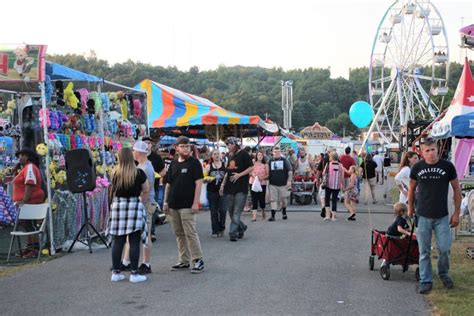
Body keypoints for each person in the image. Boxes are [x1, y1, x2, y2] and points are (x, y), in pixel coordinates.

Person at [408, 137, 461, 294]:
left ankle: (443, 274)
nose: (431, 153)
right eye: (427, 151)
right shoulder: (417, 168)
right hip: (423, 215)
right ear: (422, 153)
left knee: (444, 248)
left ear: (437, 149)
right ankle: (426, 280)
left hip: (442, 216)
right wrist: (410, 208)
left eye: (433, 150)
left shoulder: (447, 166)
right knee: (424, 251)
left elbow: (457, 189)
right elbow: (411, 189)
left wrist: (457, 213)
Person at [163, 136, 205, 273]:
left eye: (188, 146)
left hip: (188, 205)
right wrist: (165, 201)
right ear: (177, 148)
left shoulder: (194, 163)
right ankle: (184, 260)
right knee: (179, 233)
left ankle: (198, 260)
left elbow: (198, 184)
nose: (186, 149)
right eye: (183, 146)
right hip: (173, 204)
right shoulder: (174, 164)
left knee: (190, 233)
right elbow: (168, 184)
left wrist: (195, 202)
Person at [108, 147, 149, 283]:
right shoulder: (139, 173)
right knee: (134, 241)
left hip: (118, 206)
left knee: (118, 240)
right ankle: (134, 273)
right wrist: (140, 202)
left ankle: (116, 272)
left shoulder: (114, 173)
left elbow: (111, 192)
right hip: (134, 205)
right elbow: (146, 189)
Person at [12, 148, 45, 258]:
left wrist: (24, 200)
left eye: (23, 155)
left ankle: (35, 249)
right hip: (27, 202)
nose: (20, 158)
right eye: (19, 156)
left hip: (30, 201)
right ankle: (30, 247)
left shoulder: (30, 167)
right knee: (27, 225)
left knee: (30, 225)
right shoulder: (26, 168)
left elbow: (30, 184)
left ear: (29, 157)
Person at [131, 140, 157, 274]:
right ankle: (144, 262)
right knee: (143, 233)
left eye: (134, 150)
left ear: (139, 152)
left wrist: (141, 203)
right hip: (145, 201)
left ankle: (146, 263)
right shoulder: (144, 165)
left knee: (145, 234)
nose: (133, 153)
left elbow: (147, 188)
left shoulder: (144, 168)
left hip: (146, 203)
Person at [220, 137, 253, 242]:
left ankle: (232, 233)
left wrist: (239, 175)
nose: (228, 146)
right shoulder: (229, 156)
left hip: (241, 187)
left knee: (236, 212)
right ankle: (241, 227)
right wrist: (222, 184)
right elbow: (227, 172)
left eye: (229, 144)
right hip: (229, 187)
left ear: (235, 144)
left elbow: (251, 167)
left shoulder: (243, 154)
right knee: (230, 211)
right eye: (227, 145)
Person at [142, 136, 165, 242]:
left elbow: (163, 171)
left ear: (151, 145)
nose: (147, 144)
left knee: (152, 210)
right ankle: (142, 231)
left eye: (149, 143)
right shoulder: (139, 156)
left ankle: (151, 232)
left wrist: (157, 175)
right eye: (145, 142)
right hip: (140, 188)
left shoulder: (156, 157)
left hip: (153, 188)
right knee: (141, 209)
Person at [267, 145, 293, 221]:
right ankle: (273, 216)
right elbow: (268, 172)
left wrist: (289, 181)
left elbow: (290, 171)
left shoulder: (285, 160)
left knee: (283, 200)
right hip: (273, 184)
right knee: (273, 200)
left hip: (283, 184)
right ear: (273, 153)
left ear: (280, 152)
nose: (277, 153)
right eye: (275, 152)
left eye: (278, 152)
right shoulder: (270, 161)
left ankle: (284, 212)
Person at [204, 149, 226, 237]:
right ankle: (215, 230)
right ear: (212, 156)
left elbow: (227, 177)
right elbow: (203, 179)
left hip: (222, 192)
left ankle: (222, 228)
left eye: (218, 154)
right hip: (212, 191)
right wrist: (207, 179)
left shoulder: (225, 165)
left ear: (220, 155)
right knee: (213, 211)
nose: (217, 155)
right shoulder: (209, 166)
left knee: (223, 211)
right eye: (215, 154)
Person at [323, 152, 344, 221]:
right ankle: (333, 217)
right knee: (334, 200)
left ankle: (327, 216)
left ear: (331, 157)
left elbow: (323, 173)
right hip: (337, 185)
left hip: (328, 184)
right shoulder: (340, 165)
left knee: (327, 200)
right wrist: (342, 185)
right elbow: (342, 177)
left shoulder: (328, 164)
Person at [250, 150, 269, 221]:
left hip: (262, 183)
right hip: (253, 182)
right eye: (258, 155)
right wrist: (253, 175)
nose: (260, 156)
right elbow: (249, 172)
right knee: (254, 199)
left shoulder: (265, 164)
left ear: (263, 156)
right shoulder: (253, 163)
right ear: (256, 156)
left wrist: (262, 178)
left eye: (261, 155)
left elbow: (268, 174)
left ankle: (263, 212)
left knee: (261, 199)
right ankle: (254, 216)